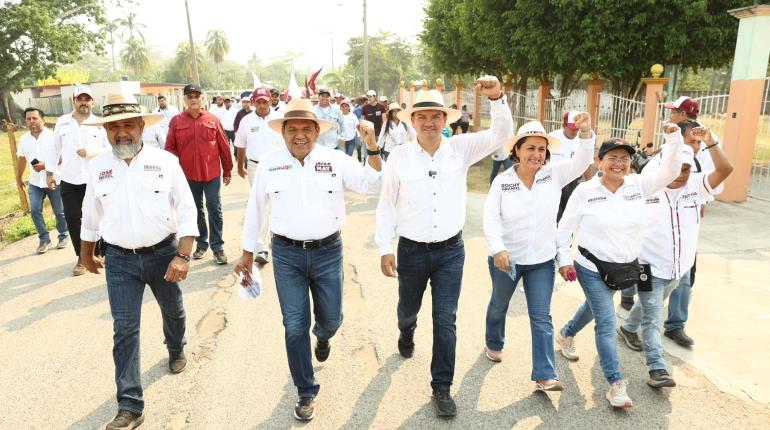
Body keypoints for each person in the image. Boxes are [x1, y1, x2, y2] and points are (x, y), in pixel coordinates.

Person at [233, 98, 382, 422]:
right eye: (293, 130)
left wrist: (372, 148)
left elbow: (373, 185)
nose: (300, 135)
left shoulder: (335, 160)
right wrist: (247, 252)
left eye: (306, 129)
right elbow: (256, 209)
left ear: (317, 131)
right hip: (286, 255)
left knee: (331, 319)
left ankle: (324, 336)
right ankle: (305, 391)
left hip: (328, 253)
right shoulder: (270, 164)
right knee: (294, 325)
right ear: (283, 132)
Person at [375, 77, 512, 418]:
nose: (429, 122)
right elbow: (387, 203)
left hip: (451, 250)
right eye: (422, 116)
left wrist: (496, 97)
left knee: (445, 318)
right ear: (412, 121)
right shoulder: (400, 157)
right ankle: (406, 331)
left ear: (445, 119)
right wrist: (384, 246)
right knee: (408, 308)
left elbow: (500, 134)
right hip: (411, 250)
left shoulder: (461, 149)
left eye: (436, 115)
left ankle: (441, 387)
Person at [79, 93, 198, 430]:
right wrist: (86, 254)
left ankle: (176, 347)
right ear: (105, 132)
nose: (121, 133)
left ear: (141, 126)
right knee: (125, 330)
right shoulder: (99, 166)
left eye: (128, 125)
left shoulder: (165, 162)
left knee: (173, 311)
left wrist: (183, 255)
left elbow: (188, 210)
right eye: (113, 127)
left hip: (164, 254)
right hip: (119, 260)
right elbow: (91, 215)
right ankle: (130, 405)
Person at [555, 126, 684, 409]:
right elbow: (564, 229)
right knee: (606, 320)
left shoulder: (639, 185)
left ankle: (565, 334)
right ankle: (616, 383)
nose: (618, 163)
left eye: (624, 158)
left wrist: (674, 140)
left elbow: (672, 170)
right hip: (591, 265)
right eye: (612, 157)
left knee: (593, 307)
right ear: (600, 161)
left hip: (624, 267)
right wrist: (564, 260)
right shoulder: (584, 191)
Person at [482, 116, 595, 392]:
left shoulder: (554, 174)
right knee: (499, 304)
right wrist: (497, 248)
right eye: (530, 148)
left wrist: (586, 132)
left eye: (541, 149)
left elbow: (582, 162)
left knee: (541, 316)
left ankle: (545, 375)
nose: (536, 154)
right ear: (517, 150)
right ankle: (494, 341)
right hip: (506, 259)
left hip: (542, 261)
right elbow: (490, 218)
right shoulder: (502, 182)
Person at [617, 136, 732, 389]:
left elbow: (725, 170)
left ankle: (627, 327)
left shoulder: (696, 185)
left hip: (679, 268)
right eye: (677, 167)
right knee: (653, 316)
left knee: (652, 306)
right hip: (648, 266)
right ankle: (657, 368)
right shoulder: (648, 188)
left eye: (687, 168)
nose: (681, 174)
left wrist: (711, 142)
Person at [45, 84, 110, 276]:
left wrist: (91, 152)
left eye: (87, 99)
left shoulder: (99, 122)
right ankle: (82, 257)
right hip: (70, 179)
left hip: (95, 178)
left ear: (92, 102)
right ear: (74, 101)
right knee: (73, 218)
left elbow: (109, 148)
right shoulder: (63, 122)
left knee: (99, 216)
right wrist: (50, 173)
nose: (84, 102)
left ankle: (99, 251)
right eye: (80, 99)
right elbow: (54, 149)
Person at [165, 84, 233, 265]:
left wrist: (227, 170)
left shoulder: (213, 120)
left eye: (197, 96)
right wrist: (171, 174)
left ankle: (217, 247)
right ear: (185, 99)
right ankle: (201, 244)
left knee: (214, 207)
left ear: (202, 98)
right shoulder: (177, 121)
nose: (194, 99)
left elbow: (224, 146)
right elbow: (170, 148)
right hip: (187, 176)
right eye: (190, 96)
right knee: (194, 210)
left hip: (211, 173)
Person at [234, 87, 283, 264]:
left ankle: (279, 239)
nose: (262, 105)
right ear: (254, 102)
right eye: (259, 102)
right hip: (255, 166)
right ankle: (262, 248)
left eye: (265, 101)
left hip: (278, 166)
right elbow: (240, 146)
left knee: (277, 202)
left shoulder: (279, 119)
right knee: (262, 204)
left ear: (270, 101)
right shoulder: (246, 121)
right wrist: (240, 166)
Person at [15, 107, 69, 253]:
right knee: (35, 210)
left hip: (55, 180)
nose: (31, 121)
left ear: (42, 119)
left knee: (59, 212)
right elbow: (21, 159)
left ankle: (63, 235)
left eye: (35, 118)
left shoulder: (53, 136)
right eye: (28, 119)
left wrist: (46, 165)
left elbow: (64, 157)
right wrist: (18, 177)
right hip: (35, 182)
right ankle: (44, 239)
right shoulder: (24, 139)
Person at [550, 111, 594, 221]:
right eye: (572, 128)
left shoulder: (585, 137)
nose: (575, 131)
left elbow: (586, 161)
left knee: (569, 214)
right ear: (564, 125)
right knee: (553, 212)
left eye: (577, 128)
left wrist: (590, 183)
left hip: (573, 180)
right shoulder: (552, 138)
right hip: (554, 178)